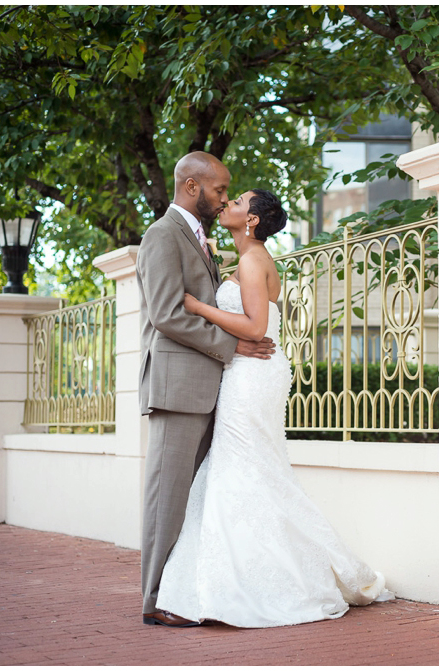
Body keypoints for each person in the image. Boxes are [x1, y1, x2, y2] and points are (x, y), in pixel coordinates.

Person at [154, 188, 393, 627]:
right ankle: (238, 579)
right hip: (254, 372)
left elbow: (255, 326)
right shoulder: (251, 256)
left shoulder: (251, 261)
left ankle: (219, 590)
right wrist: (210, 252)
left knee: (239, 468)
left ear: (253, 221)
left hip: (251, 374)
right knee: (257, 469)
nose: (228, 204)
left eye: (239, 201)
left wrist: (195, 305)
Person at [137, 152, 275, 628]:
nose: (223, 199)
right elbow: (167, 314)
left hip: (214, 388)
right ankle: (154, 601)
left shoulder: (201, 238)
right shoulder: (161, 236)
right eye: (219, 190)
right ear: (193, 187)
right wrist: (233, 345)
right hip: (178, 387)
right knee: (168, 497)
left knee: (197, 500)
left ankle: (186, 594)